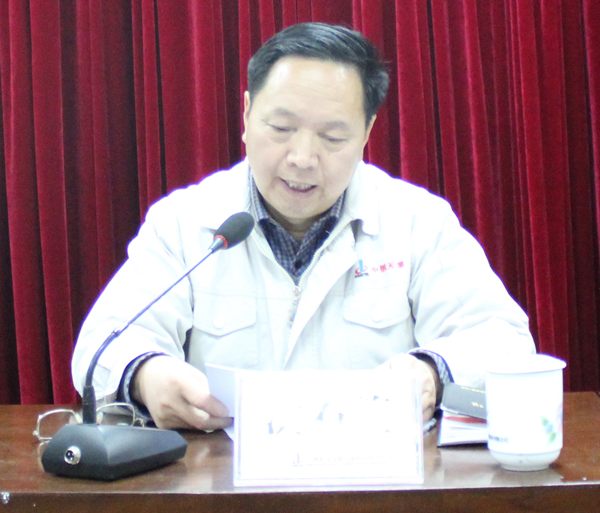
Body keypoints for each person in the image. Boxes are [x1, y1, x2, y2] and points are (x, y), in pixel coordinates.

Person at [72, 22, 535, 431]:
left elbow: (505, 342)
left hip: (375, 480)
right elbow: (100, 346)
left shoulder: (417, 221)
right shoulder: (184, 222)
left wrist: (433, 372)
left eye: (332, 137)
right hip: (223, 482)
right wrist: (146, 374)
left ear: (367, 132)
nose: (302, 158)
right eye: (281, 128)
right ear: (247, 114)